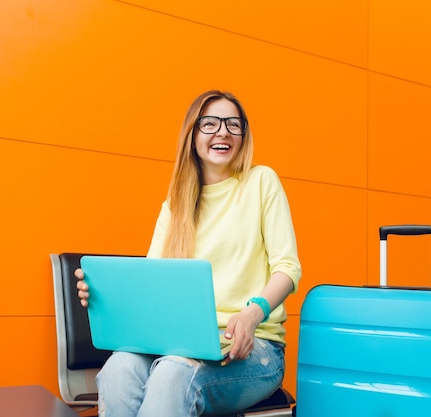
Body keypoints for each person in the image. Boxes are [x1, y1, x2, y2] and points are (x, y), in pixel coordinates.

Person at [75, 90, 302, 417]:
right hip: (179, 346)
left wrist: (253, 313)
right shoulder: (175, 205)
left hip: (254, 349)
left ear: (243, 135)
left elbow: (288, 268)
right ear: (192, 135)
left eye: (232, 124)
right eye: (209, 124)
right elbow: (150, 284)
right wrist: (99, 294)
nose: (222, 131)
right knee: (118, 369)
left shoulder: (261, 182)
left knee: (172, 375)